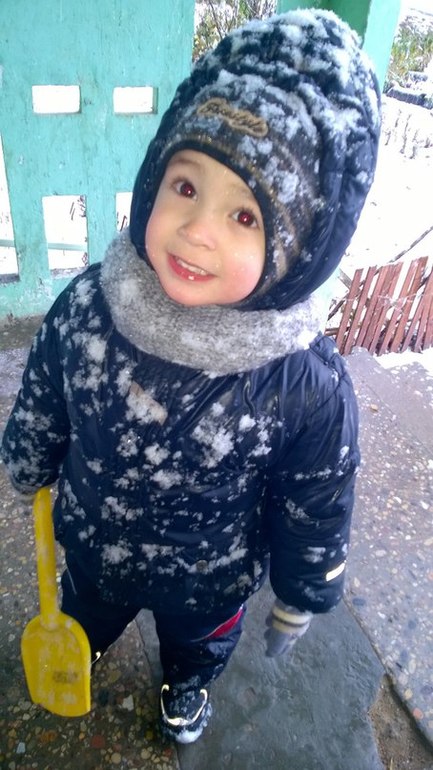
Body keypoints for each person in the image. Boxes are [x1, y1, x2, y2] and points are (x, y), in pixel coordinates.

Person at [1, 9, 381, 744]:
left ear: (305, 246)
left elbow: (315, 497)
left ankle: (186, 682)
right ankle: (87, 643)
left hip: (208, 576)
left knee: (198, 641)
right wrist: (26, 462)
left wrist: (302, 589)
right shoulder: (92, 307)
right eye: (184, 186)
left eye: (245, 217)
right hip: (95, 546)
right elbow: (46, 393)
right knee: (85, 611)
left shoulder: (302, 381)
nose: (198, 228)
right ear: (154, 178)